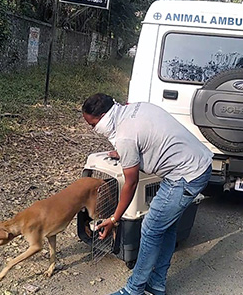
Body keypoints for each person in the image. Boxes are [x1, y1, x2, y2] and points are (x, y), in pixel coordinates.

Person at [82, 93, 212, 295]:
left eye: (92, 125)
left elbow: (131, 183)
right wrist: (127, 153)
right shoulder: (135, 108)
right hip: (199, 163)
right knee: (165, 227)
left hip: (185, 176)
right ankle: (157, 284)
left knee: (151, 228)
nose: (93, 130)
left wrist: (113, 218)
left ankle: (134, 289)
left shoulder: (125, 136)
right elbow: (146, 136)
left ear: (103, 116)